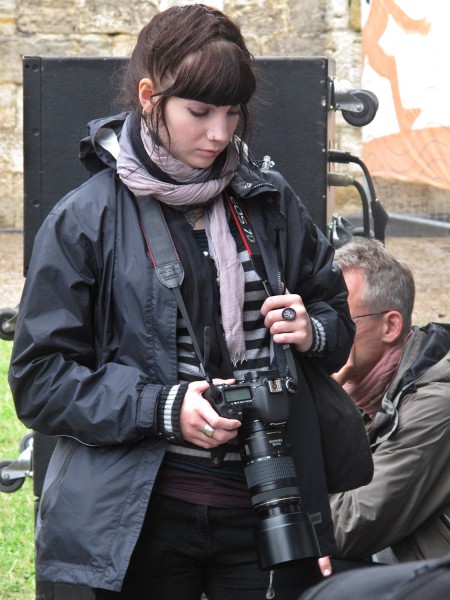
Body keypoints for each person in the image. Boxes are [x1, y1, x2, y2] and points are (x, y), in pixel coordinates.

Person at [8, 4, 355, 599]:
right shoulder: (84, 218)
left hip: (267, 505)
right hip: (137, 519)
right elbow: (39, 380)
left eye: (232, 113)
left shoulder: (269, 203)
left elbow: (337, 322)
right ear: (150, 96)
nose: (220, 134)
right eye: (199, 112)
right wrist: (162, 407)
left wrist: (312, 330)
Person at [328, 237, 450, 565]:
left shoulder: (437, 404)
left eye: (341, 318)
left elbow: (346, 528)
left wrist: (322, 413)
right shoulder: (368, 396)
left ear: (391, 326)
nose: (325, 331)